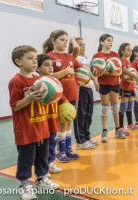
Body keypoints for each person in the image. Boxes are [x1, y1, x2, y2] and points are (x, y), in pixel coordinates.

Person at [9, 45, 59, 200]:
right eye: (30, 58)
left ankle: (42, 178)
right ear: (18, 61)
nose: (34, 61)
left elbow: (47, 100)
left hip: (42, 126)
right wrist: (29, 98)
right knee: (26, 157)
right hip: (26, 129)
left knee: (42, 156)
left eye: (36, 58)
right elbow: (15, 105)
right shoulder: (16, 81)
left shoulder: (41, 80)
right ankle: (24, 184)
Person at [44, 30, 80, 161]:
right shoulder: (49, 57)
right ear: (53, 41)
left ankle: (68, 148)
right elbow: (47, 76)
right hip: (59, 96)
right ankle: (60, 152)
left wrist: (88, 77)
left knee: (69, 121)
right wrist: (65, 71)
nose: (65, 42)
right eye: (61, 39)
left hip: (73, 94)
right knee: (61, 123)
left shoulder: (70, 57)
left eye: (66, 40)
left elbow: (80, 68)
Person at [92, 34, 125, 142]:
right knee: (105, 108)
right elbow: (95, 73)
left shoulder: (115, 55)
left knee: (116, 107)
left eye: (112, 41)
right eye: (108, 40)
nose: (111, 43)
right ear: (102, 42)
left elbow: (119, 71)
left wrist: (109, 73)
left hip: (115, 84)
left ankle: (118, 129)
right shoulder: (97, 56)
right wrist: (105, 72)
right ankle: (104, 131)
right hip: (104, 85)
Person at [68, 37, 100, 149]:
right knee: (80, 116)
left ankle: (87, 137)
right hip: (80, 89)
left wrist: (95, 80)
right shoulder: (73, 58)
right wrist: (72, 39)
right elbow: (83, 71)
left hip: (88, 88)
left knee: (88, 115)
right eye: (80, 45)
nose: (83, 47)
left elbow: (89, 71)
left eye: (84, 44)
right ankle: (80, 142)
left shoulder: (85, 58)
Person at [118, 43, 138, 135]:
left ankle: (130, 124)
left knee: (130, 106)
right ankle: (120, 126)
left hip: (131, 87)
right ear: (122, 51)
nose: (130, 52)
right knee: (123, 106)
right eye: (128, 50)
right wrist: (135, 76)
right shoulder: (122, 60)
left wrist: (134, 86)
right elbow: (124, 70)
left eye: (131, 50)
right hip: (124, 86)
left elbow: (131, 73)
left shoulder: (129, 62)